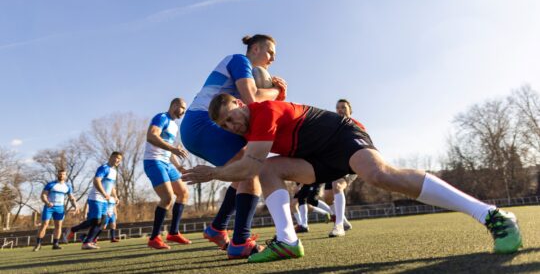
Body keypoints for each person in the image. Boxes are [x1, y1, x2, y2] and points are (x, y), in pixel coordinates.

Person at [183, 94, 523, 263]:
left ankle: (492, 214)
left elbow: (250, 163)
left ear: (242, 104)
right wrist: (222, 171)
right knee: (271, 169)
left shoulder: (264, 112)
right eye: (226, 126)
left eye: (232, 117)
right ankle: (287, 241)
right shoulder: (249, 130)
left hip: (341, 136)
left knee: (379, 174)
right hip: (316, 158)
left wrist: (212, 173)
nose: (232, 126)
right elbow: (254, 166)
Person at [180, 34, 287, 259]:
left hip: (197, 126)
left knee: (241, 173)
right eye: (270, 53)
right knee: (251, 170)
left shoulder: (245, 69)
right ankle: (240, 242)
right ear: (256, 48)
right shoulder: (240, 60)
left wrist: (276, 95)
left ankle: (218, 228)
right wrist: (277, 92)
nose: (272, 59)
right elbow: (253, 99)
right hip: (202, 123)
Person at [144, 98, 191, 249]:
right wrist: (173, 149)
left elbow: (169, 150)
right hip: (154, 161)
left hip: (167, 163)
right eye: (182, 108)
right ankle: (154, 238)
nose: (183, 111)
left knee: (183, 193)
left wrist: (179, 167)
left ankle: (173, 233)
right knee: (167, 197)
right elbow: (151, 136)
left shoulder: (174, 126)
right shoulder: (161, 117)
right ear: (174, 105)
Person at [67, 152, 122, 250]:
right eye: (116, 157)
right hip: (95, 197)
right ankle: (78, 233)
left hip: (105, 200)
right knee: (97, 220)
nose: (118, 160)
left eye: (119, 159)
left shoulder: (114, 171)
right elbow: (96, 181)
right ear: (111, 157)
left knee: (102, 222)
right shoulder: (104, 168)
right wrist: (104, 194)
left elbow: (112, 186)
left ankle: (87, 241)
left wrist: (115, 197)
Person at [325, 99, 361, 237]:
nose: (340, 109)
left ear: (350, 110)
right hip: (334, 164)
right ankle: (344, 221)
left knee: (338, 185)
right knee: (327, 197)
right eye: (338, 107)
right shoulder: (332, 126)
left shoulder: (357, 126)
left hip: (352, 163)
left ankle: (338, 226)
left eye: (343, 107)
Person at [33, 169, 78, 251]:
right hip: (49, 207)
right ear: (57, 175)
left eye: (63, 174)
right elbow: (43, 195)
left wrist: (75, 206)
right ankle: (38, 244)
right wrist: (47, 202)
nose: (61, 176)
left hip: (60, 208)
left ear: (65, 176)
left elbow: (71, 198)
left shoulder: (68, 186)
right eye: (60, 174)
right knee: (44, 224)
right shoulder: (51, 184)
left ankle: (55, 244)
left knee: (58, 226)